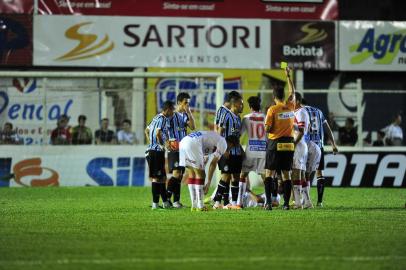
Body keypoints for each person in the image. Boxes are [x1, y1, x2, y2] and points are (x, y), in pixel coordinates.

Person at [179, 131, 239, 211]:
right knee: (201, 174)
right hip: (193, 143)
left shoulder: (213, 139)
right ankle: (200, 206)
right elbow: (213, 163)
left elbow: (205, 159)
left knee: (192, 173)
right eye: (232, 147)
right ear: (231, 144)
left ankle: (194, 205)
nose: (230, 149)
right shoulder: (223, 143)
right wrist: (208, 182)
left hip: (183, 142)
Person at [264, 66, 295, 210]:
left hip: (275, 143)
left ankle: (269, 203)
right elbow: (293, 92)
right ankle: (286, 204)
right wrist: (288, 76)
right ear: (284, 96)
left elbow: (268, 128)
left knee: (269, 173)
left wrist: (266, 128)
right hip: (289, 143)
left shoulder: (272, 109)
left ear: (273, 96)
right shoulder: (290, 105)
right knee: (286, 174)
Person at [303, 102, 338, 207]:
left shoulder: (301, 111)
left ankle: (305, 200)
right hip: (319, 145)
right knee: (320, 173)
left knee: (305, 174)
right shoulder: (319, 111)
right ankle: (320, 202)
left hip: (307, 146)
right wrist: (334, 144)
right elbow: (327, 128)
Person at [212, 93, 244, 209]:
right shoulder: (226, 115)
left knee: (236, 176)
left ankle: (234, 203)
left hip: (236, 152)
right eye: (241, 104)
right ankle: (217, 203)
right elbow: (219, 133)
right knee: (225, 176)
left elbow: (237, 137)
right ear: (235, 104)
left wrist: (241, 149)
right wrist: (222, 149)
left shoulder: (238, 118)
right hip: (226, 152)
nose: (242, 106)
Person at [165, 92, 195, 208]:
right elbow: (163, 128)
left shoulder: (185, 115)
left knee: (181, 174)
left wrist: (189, 111)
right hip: (174, 147)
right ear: (179, 103)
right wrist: (166, 141)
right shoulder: (171, 115)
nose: (187, 105)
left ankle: (176, 201)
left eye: (188, 103)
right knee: (176, 173)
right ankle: (166, 198)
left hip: (183, 148)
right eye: (185, 103)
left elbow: (192, 127)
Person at [237, 96, 268, 207]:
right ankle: (268, 202)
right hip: (263, 150)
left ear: (250, 107)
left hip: (250, 150)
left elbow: (239, 135)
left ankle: (239, 203)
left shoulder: (246, 118)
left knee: (243, 175)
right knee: (265, 177)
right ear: (260, 105)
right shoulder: (266, 117)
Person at [145, 101, 175, 210]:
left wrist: (151, 143)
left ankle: (166, 203)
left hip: (153, 150)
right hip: (156, 152)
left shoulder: (156, 117)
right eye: (172, 109)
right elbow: (158, 133)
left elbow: (146, 131)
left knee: (162, 177)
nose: (173, 112)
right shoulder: (163, 119)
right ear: (168, 109)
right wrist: (162, 145)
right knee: (157, 178)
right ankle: (155, 205)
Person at [291, 92, 311, 209]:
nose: (290, 103)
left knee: (296, 173)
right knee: (302, 174)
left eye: (292, 101)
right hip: (301, 145)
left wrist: (293, 144)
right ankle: (307, 201)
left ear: (297, 101)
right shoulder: (298, 112)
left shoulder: (301, 112)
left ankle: (298, 202)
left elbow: (302, 130)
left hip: (299, 145)